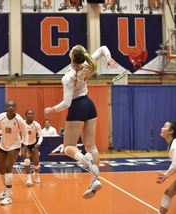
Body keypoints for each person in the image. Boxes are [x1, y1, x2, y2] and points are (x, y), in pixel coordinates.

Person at [44, 45, 119, 199]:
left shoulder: (69, 77)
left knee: (68, 147)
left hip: (78, 106)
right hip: (89, 105)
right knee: (91, 146)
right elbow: (104, 48)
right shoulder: (87, 65)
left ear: (71, 55)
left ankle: (84, 160)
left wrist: (52, 109)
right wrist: (108, 58)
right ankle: (95, 180)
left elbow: (67, 103)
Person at [0, 100, 28, 205]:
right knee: (0, 168)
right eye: (8, 106)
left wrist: (25, 148)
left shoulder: (19, 119)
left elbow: (25, 134)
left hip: (15, 145)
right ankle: (5, 190)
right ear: (6, 107)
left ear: (15, 107)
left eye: (12, 106)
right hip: (3, 145)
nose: (10, 107)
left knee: (8, 167)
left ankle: (8, 197)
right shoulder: (1, 117)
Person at [156, 121, 176, 214]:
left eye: (165, 127)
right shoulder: (171, 145)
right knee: (169, 192)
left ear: (171, 131)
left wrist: (165, 175)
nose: (162, 128)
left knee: (169, 192)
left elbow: (175, 165)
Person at [22, 109, 43, 187]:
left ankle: (36, 174)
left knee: (36, 164)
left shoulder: (36, 125)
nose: (30, 115)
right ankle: (28, 178)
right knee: (26, 160)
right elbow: (17, 133)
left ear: (34, 115)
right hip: (25, 145)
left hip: (34, 145)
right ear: (26, 115)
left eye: (32, 114)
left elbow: (41, 136)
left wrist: (38, 143)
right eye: (28, 114)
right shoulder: (22, 124)